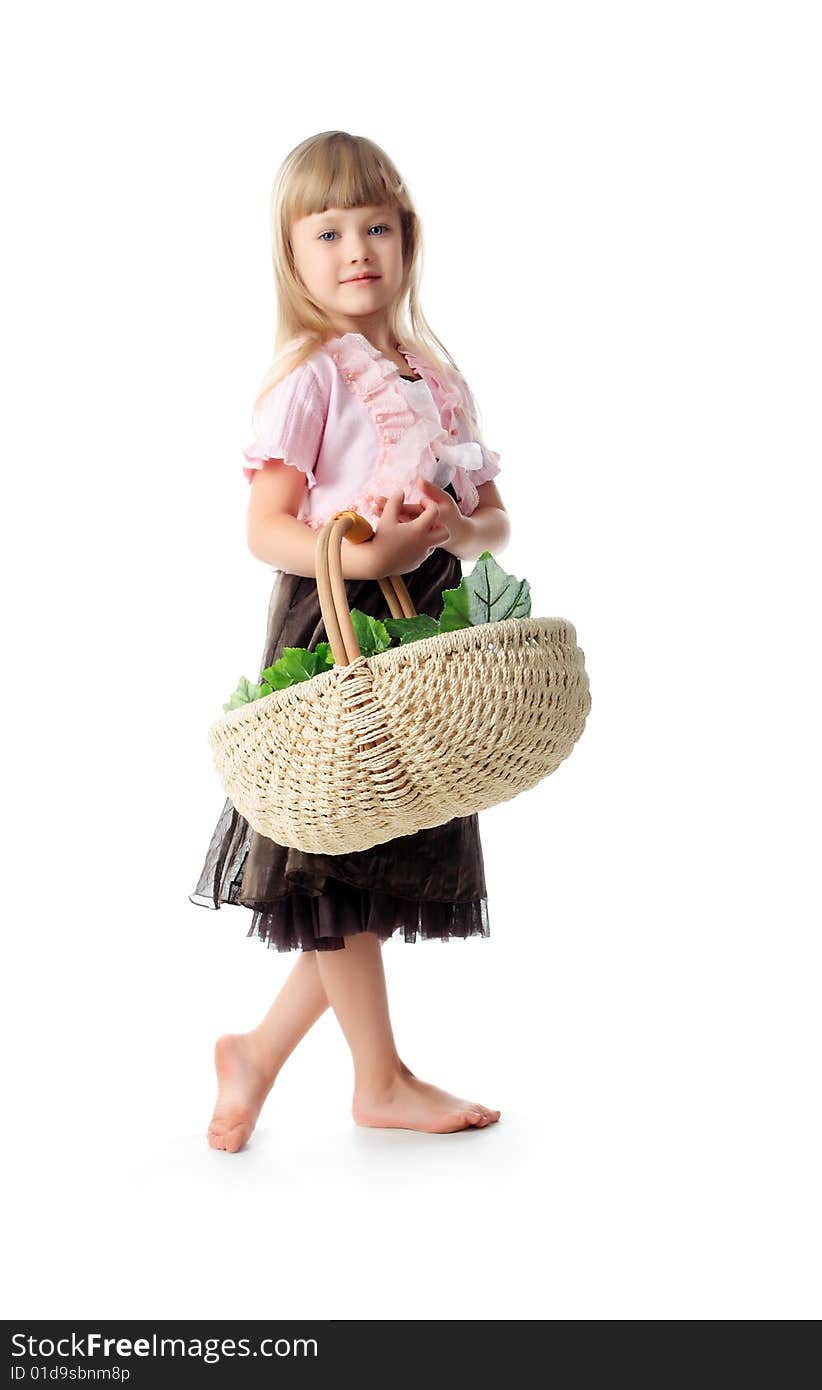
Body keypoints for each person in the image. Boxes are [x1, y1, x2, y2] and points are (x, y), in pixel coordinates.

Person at [189, 130, 511, 1151]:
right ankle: (380, 1075)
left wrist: (460, 532)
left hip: (428, 618)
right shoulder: (313, 378)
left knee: (376, 849)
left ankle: (259, 1052)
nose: (355, 248)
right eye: (326, 230)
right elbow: (265, 527)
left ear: (407, 239)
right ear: (292, 254)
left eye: (375, 225)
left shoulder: (433, 375)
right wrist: (368, 559)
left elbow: (495, 516)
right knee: (334, 853)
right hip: (338, 614)